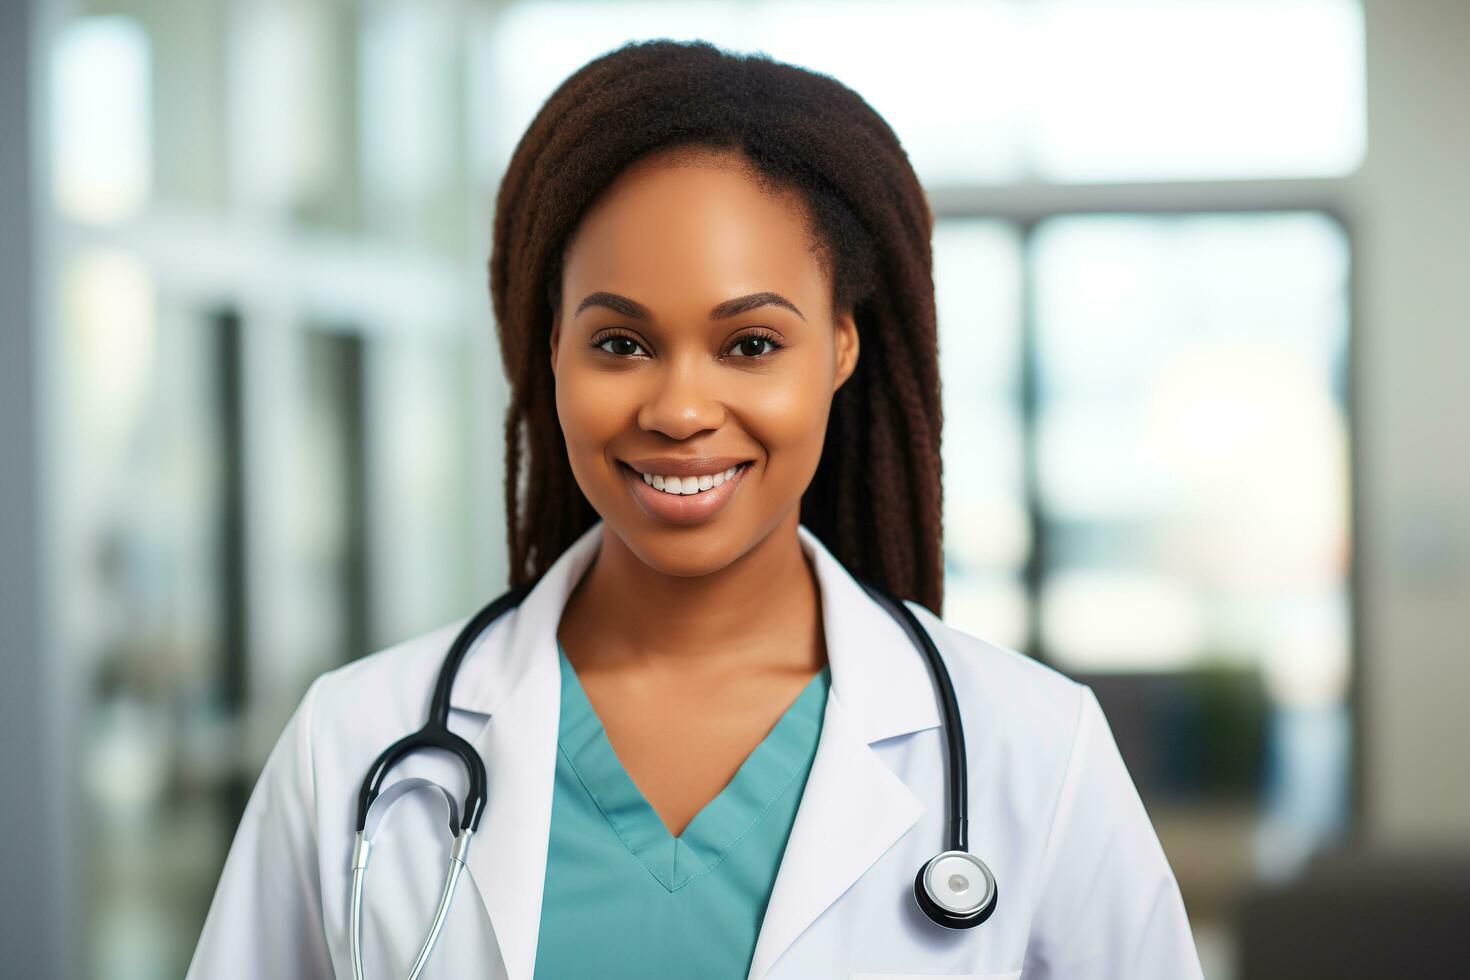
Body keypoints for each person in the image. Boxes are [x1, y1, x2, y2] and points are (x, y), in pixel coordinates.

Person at [186, 38, 1203, 979]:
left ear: (840, 346)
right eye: (620, 343)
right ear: (551, 349)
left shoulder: (1032, 748)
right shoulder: (355, 740)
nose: (678, 409)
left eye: (750, 344)